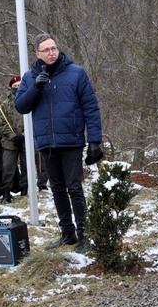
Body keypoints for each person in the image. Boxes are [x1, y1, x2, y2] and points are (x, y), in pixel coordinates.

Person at [15, 34, 104, 252]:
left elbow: (91, 107)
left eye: (53, 48)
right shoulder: (30, 77)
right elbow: (21, 106)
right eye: (45, 50)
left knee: (74, 187)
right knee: (57, 189)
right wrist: (36, 86)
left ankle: (85, 235)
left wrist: (94, 140)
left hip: (71, 139)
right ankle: (68, 234)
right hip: (46, 142)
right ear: (37, 54)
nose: (51, 52)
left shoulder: (76, 73)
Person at [0, 76, 27, 204]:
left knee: (26, 166)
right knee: (8, 167)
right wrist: (13, 136)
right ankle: (6, 192)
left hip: (26, 141)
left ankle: (25, 189)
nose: (17, 88)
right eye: (15, 86)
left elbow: (33, 121)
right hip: (10, 142)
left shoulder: (29, 101)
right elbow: (2, 123)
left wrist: (24, 135)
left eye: (20, 86)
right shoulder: (4, 104)